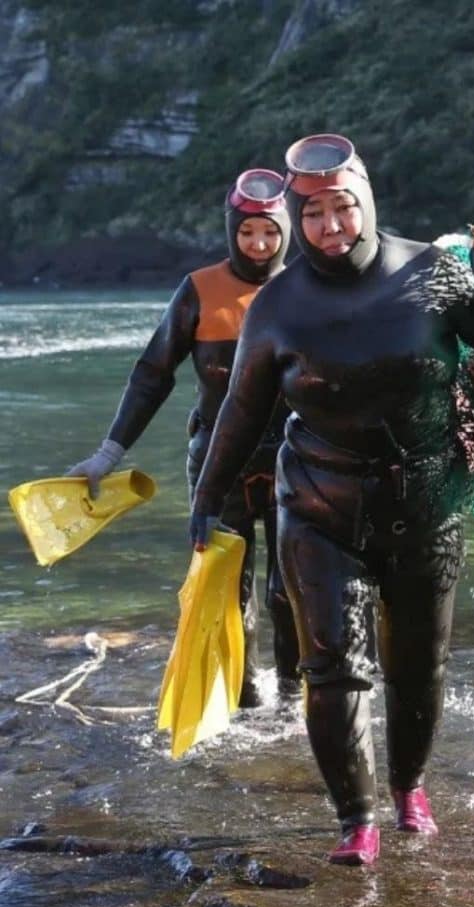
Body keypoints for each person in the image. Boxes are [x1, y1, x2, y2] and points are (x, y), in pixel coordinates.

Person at [188, 134, 474, 867]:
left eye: (343, 208)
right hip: (319, 503)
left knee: (419, 665)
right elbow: (240, 413)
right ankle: (356, 819)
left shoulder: (436, 274)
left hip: (426, 501)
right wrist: (206, 499)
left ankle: (409, 788)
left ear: (366, 198)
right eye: (313, 216)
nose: (331, 227)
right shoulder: (278, 305)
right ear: (296, 221)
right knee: (333, 665)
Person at [66, 169, 300, 706]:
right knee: (227, 592)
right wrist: (108, 453)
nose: (260, 245)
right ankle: (243, 701)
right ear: (231, 231)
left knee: (292, 592)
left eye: (270, 232)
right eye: (247, 233)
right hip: (220, 467)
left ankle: (294, 699)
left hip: (297, 463)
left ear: (287, 230)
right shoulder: (199, 290)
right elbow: (153, 374)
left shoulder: (305, 286)